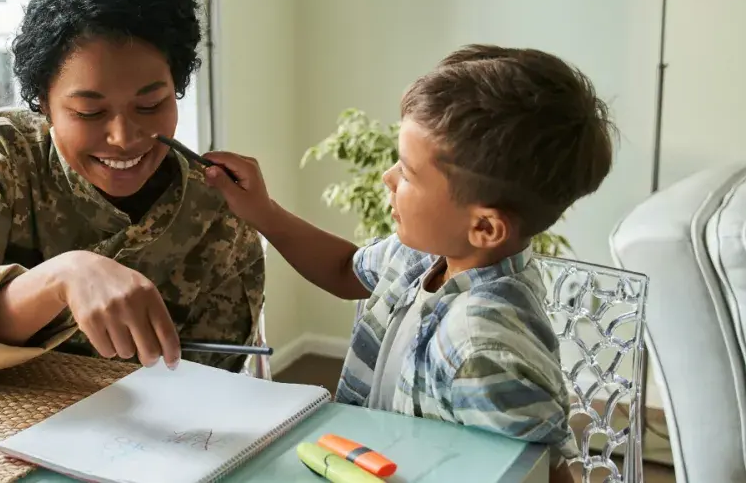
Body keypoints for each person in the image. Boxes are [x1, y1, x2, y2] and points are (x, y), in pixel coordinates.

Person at [203, 45, 616, 482]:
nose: (388, 178)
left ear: (485, 228)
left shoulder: (484, 348)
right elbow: (347, 270)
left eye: (408, 173)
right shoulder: (427, 252)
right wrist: (265, 213)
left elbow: (541, 471)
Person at [0, 0, 264, 387]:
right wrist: (62, 276)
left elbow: (214, 386)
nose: (124, 137)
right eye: (89, 112)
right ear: (44, 103)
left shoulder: (213, 210)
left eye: (151, 104)